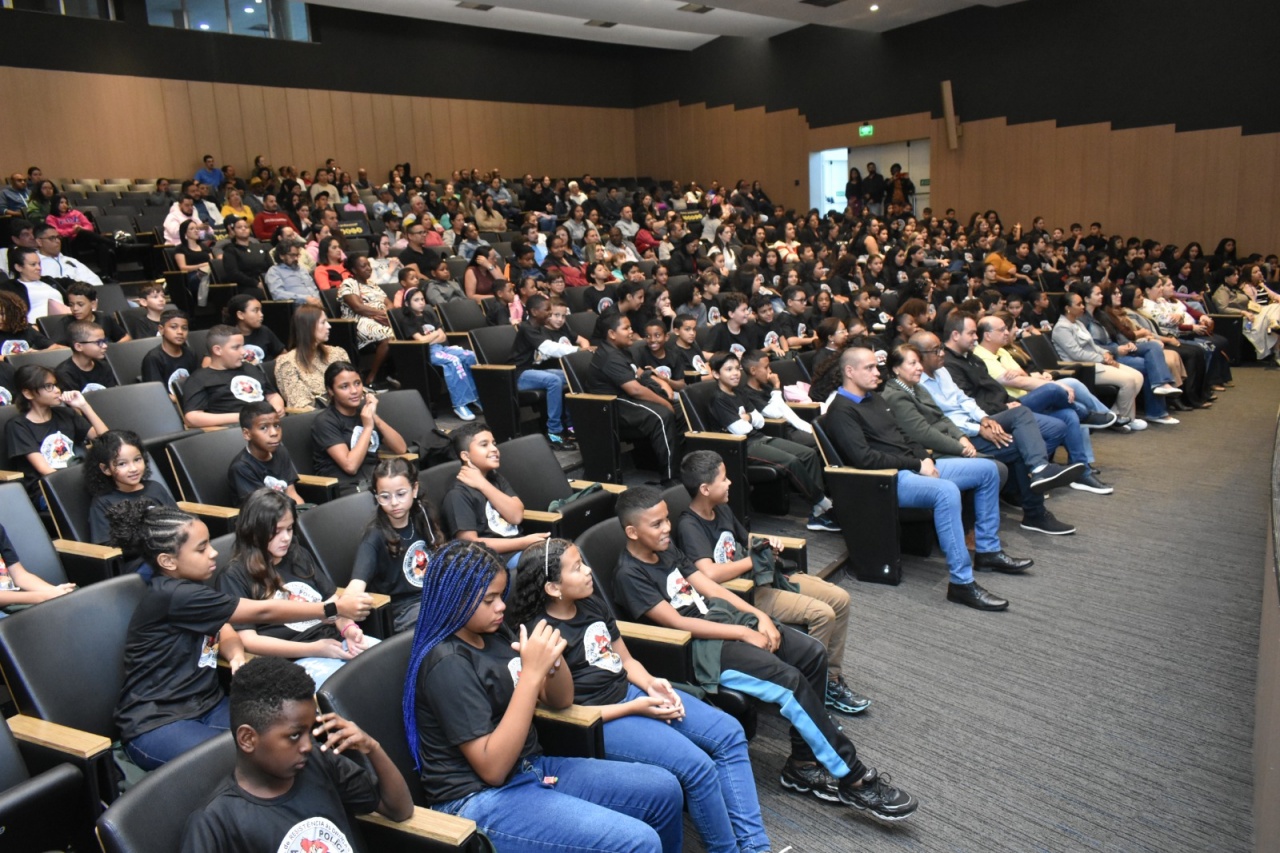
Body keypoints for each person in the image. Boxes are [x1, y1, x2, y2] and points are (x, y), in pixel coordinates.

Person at [611, 486, 918, 820]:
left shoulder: (666, 549)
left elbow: (710, 588)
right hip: (702, 650)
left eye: (666, 519)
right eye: (656, 524)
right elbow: (678, 623)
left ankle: (802, 763)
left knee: (811, 653)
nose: (667, 528)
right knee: (789, 681)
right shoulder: (630, 573)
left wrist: (758, 618)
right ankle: (854, 778)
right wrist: (744, 632)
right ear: (632, 531)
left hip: (725, 621)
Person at [402, 539, 684, 851]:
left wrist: (553, 660)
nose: (501, 607)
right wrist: (531, 675)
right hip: (478, 799)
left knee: (664, 789)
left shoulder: (494, 633)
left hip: (529, 768)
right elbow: (492, 769)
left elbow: (561, 701)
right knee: (638, 842)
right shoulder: (448, 662)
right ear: (454, 600)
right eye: (490, 599)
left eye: (501, 595)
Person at [507, 538, 774, 853]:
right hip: (601, 718)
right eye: (577, 568)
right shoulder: (540, 635)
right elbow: (562, 711)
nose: (589, 571)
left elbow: (625, 660)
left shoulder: (591, 602)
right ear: (553, 588)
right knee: (698, 767)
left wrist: (652, 684)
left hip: (633, 693)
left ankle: (755, 847)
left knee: (729, 733)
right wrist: (637, 707)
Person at [108, 502, 372, 770]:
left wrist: (235, 656)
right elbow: (262, 611)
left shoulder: (191, 589)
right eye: (201, 549)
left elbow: (225, 629)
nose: (213, 553)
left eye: (209, 544)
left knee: (297, 741)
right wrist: (331, 609)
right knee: (248, 761)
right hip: (157, 721)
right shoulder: (172, 594)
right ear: (167, 561)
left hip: (209, 706)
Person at [824, 343, 1029, 610]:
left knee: (988, 470)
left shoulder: (875, 398)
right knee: (946, 491)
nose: (878, 372)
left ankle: (988, 551)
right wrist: (916, 464)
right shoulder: (841, 411)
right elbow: (865, 459)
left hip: (912, 467)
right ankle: (961, 583)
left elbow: (904, 436)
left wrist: (926, 458)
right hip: (886, 480)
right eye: (870, 367)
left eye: (877, 366)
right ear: (849, 371)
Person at [678, 450, 865, 715]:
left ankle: (831, 682)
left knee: (840, 599)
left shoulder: (721, 509)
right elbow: (707, 574)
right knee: (822, 614)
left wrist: (765, 544)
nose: (730, 482)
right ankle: (811, 695)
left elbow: (745, 541)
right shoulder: (690, 525)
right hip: (744, 593)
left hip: (765, 579)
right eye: (724, 479)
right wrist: (754, 561)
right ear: (705, 489)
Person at [178, 656, 413, 852]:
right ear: (248, 739)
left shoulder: (317, 763)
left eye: (310, 732)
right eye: (294, 735)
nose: (307, 746)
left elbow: (398, 810)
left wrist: (372, 747)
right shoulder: (214, 822)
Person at [911, 330, 1082, 535]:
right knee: (1021, 445)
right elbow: (941, 420)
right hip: (958, 436)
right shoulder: (917, 383)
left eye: (941, 348)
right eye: (936, 350)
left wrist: (985, 419)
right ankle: (1035, 513)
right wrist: (979, 429)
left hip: (975, 422)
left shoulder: (941, 371)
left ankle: (1039, 469)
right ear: (918, 355)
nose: (942, 353)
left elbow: (963, 399)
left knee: (1021, 413)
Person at [218, 489, 374, 687]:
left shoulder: (297, 554)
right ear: (255, 531)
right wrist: (314, 649)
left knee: (394, 667)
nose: (286, 538)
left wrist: (348, 629)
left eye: (290, 529)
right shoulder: (234, 575)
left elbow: (333, 602)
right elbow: (249, 641)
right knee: (356, 688)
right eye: (277, 532)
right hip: (294, 660)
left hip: (332, 643)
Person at [940, 311, 1101, 493]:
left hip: (1009, 405)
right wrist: (1005, 406)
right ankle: (1026, 479)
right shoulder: (949, 364)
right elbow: (969, 401)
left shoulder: (973, 358)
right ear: (955, 335)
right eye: (971, 333)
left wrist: (1010, 401)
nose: (975, 338)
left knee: (1066, 418)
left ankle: (1074, 472)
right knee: (1053, 389)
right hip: (989, 415)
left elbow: (997, 389)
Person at [707, 352, 839, 531]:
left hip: (759, 437)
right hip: (743, 446)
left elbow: (759, 421)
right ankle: (824, 504)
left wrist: (746, 417)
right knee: (791, 462)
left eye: (737, 369)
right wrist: (749, 418)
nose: (736, 373)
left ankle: (817, 511)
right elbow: (740, 430)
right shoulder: (718, 399)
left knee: (807, 454)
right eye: (728, 370)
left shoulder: (739, 392)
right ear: (716, 374)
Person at [343, 457, 447, 633]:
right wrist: (346, 621)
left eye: (401, 494)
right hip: (402, 612)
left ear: (414, 489)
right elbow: (355, 586)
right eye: (385, 496)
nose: (394, 503)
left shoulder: (422, 515)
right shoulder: (374, 536)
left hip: (432, 598)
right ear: (376, 496)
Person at [584, 312, 681, 484]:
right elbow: (635, 390)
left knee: (681, 409)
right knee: (662, 415)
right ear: (612, 334)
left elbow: (639, 372)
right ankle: (670, 478)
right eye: (626, 328)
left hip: (627, 399)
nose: (631, 331)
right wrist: (665, 403)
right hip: (612, 405)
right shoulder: (609, 357)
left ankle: (671, 464)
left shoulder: (621, 351)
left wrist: (660, 382)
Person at [441, 424, 549, 570]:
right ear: (465, 456)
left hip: (521, 549)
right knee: (552, 563)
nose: (494, 449)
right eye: (484, 445)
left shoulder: (495, 479)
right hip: (496, 562)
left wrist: (482, 484)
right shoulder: (458, 494)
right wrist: (522, 543)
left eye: (494, 443)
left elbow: (516, 516)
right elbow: (470, 545)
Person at [5, 364, 107, 501]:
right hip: (47, 490)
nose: (57, 390)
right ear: (28, 393)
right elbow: (45, 470)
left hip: (80, 480)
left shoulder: (66, 413)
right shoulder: (18, 426)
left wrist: (84, 406)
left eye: (56, 385)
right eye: (49, 386)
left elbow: (107, 441)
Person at [85, 429, 179, 574]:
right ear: (106, 469)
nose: (133, 468)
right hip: (140, 563)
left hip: (172, 552)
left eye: (137, 459)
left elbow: (178, 521)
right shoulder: (102, 502)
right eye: (122, 464)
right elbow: (107, 546)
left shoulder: (155, 488)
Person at [1051, 290, 1147, 429]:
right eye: (1079, 304)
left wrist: (1106, 353)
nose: (1083, 307)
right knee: (1128, 381)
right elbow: (1076, 354)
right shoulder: (1061, 328)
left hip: (1098, 362)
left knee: (1138, 376)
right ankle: (1119, 420)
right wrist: (1102, 358)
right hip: (1084, 368)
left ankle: (1116, 417)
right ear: (1067, 308)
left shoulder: (1077, 323)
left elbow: (1093, 345)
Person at [311, 362, 407, 494]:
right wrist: (367, 428)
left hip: (375, 481)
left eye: (357, 383)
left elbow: (401, 448)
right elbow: (350, 466)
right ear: (331, 391)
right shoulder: (325, 421)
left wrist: (374, 417)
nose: (354, 391)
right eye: (344, 386)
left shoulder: (364, 414)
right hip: (346, 488)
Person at [396, 286, 480, 421]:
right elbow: (421, 341)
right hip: (425, 353)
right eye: (416, 300)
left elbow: (443, 337)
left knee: (470, 355)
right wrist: (435, 334)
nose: (421, 302)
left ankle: (474, 397)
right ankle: (460, 404)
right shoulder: (407, 320)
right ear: (407, 303)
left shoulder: (429, 314)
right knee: (453, 361)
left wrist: (433, 337)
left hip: (440, 347)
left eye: (422, 299)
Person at [181, 325, 284, 428]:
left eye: (243, 346)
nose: (243, 352)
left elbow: (272, 395)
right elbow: (192, 418)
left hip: (271, 424)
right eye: (236, 347)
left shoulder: (251, 368)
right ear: (217, 350)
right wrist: (243, 417)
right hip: (234, 431)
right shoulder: (199, 378)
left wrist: (277, 407)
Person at [510, 294, 576, 449]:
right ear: (534, 311)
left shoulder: (538, 328)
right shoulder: (526, 328)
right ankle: (554, 432)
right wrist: (578, 350)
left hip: (531, 370)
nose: (549, 312)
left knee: (569, 375)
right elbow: (548, 348)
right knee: (554, 381)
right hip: (518, 374)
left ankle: (571, 425)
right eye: (546, 309)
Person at [227, 401, 305, 506]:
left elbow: (291, 493)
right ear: (247, 434)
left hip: (286, 514)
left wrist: (303, 514)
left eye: (277, 425)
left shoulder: (281, 452)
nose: (274, 433)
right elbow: (262, 510)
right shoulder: (242, 467)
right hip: (263, 518)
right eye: (263, 428)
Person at [272, 305, 348, 410]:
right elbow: (301, 405)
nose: (329, 326)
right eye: (323, 322)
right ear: (308, 327)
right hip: (320, 417)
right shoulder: (287, 363)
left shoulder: (338, 353)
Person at [337, 255, 394, 387]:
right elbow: (358, 307)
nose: (368, 268)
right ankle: (371, 378)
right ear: (354, 270)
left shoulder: (372, 285)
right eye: (363, 266)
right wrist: (381, 314)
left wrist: (387, 315)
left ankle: (392, 374)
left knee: (404, 333)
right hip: (358, 321)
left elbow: (389, 304)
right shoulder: (349, 283)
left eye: (368, 265)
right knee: (389, 337)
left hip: (381, 318)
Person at [0, 521, 75, 618]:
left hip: (14, 600)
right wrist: (43, 597)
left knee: (72, 601)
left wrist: (56, 592)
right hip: (6, 609)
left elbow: (20, 575)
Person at [141, 309, 201, 396]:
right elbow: (156, 394)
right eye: (173, 327)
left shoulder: (191, 353)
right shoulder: (153, 358)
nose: (180, 332)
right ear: (161, 329)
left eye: (184, 328)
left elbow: (198, 383)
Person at [2, 246, 66, 322]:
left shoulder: (49, 280)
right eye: (33, 264)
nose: (39, 268)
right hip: (35, 328)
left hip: (66, 323)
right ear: (18, 267)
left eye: (39, 264)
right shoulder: (9, 287)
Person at [54, 320, 118, 393]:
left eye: (104, 341)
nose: (105, 346)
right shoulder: (64, 373)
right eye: (99, 342)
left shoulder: (104, 366)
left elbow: (112, 395)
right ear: (78, 346)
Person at [34, 222, 102, 287]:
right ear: (39, 242)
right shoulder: (34, 263)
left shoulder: (70, 260)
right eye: (52, 238)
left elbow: (96, 282)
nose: (57, 241)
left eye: (58, 237)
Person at [224, 293, 284, 366]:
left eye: (261, 310)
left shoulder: (264, 331)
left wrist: (270, 367)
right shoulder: (227, 336)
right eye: (255, 311)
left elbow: (283, 354)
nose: (261, 315)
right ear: (240, 315)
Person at [62, 281, 130, 344]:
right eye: (71, 305)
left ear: (93, 304)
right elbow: (55, 347)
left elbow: (126, 338)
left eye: (80, 304)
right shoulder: (66, 322)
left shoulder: (104, 318)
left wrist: (108, 349)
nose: (75, 308)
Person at [221, 216, 272, 296]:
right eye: (239, 227)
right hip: (245, 285)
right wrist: (256, 283)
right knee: (263, 294)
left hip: (266, 281)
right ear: (233, 231)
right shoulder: (230, 250)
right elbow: (234, 273)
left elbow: (271, 266)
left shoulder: (260, 247)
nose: (243, 229)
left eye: (246, 227)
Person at [263, 241, 321, 305]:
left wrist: (317, 299)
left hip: (316, 305)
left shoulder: (302, 269)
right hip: (296, 307)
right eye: (292, 255)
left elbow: (313, 288)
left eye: (297, 255)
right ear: (281, 256)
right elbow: (278, 294)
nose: (296, 258)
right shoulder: (274, 271)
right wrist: (304, 298)